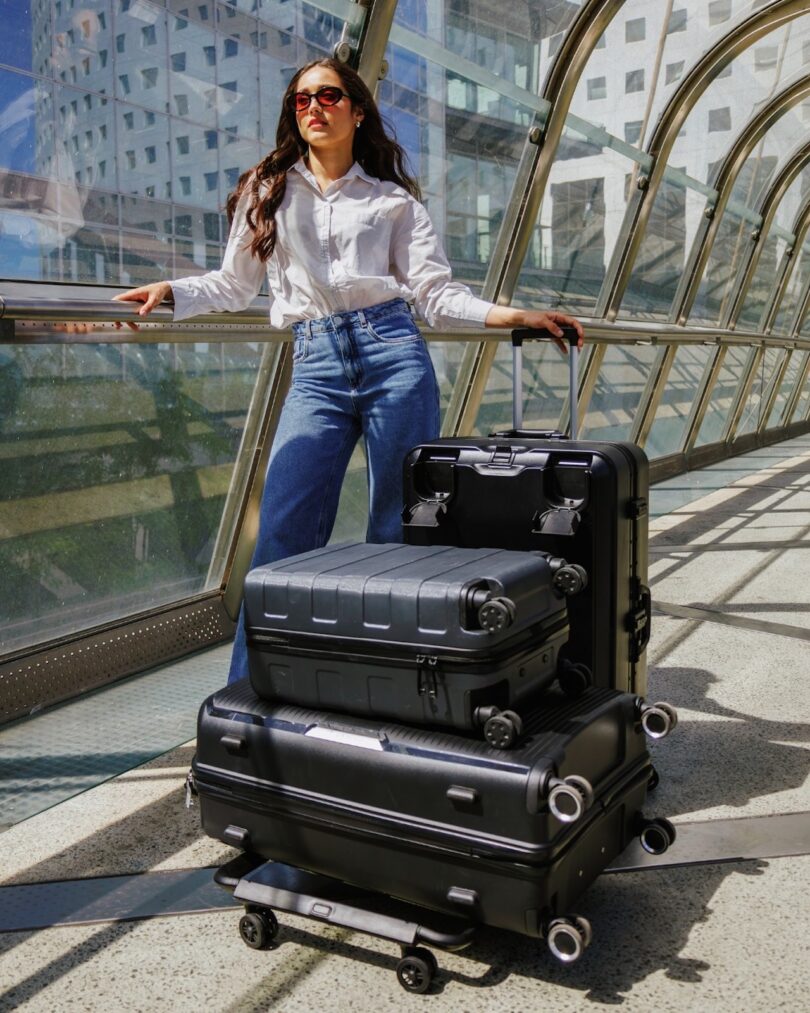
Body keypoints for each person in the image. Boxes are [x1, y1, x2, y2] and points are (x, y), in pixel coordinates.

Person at [113, 58, 584, 683]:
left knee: (399, 526)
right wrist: (171, 291)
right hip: (315, 363)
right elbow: (234, 283)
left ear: (356, 111)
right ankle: (251, 693)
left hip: (394, 355)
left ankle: (389, 685)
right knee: (284, 530)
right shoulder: (268, 190)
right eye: (302, 99)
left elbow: (436, 295)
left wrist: (515, 314)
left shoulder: (392, 202)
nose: (314, 107)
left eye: (329, 96)